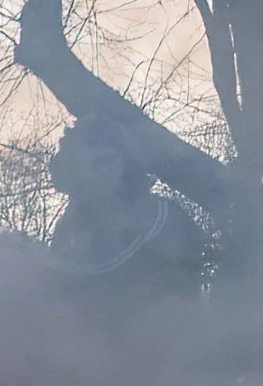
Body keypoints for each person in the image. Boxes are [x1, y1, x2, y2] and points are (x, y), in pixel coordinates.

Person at [41, 117, 205, 300]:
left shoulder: (164, 218)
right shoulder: (68, 228)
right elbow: (58, 295)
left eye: (105, 161)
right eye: (84, 166)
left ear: (126, 163)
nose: (95, 174)